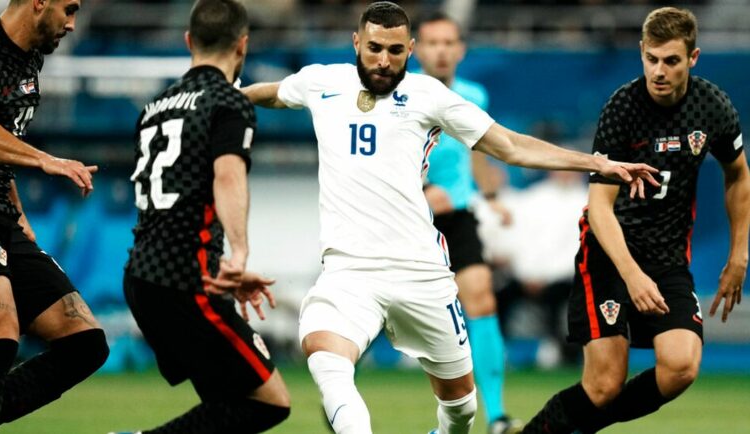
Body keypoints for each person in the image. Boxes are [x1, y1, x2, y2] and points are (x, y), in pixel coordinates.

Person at [242, 2, 656, 434]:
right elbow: (271, 92)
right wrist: (226, 98)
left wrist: (597, 163)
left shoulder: (429, 95)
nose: (384, 60)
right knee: (328, 361)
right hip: (349, 269)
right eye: (375, 48)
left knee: (461, 408)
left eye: (396, 50)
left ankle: (476, 417)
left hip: (421, 272)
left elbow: (510, 146)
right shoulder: (321, 82)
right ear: (356, 43)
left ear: (411, 48)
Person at [521, 7, 749, 434]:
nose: (659, 71)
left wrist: (738, 255)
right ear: (642, 52)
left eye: (672, 61)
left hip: (666, 259)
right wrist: (632, 276)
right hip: (608, 255)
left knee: (681, 366)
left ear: (693, 58)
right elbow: (600, 207)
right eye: (652, 59)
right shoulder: (623, 109)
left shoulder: (713, 107)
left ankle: (569, 425)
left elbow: (738, 174)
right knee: (604, 386)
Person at [120, 1, 290, 433]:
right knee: (269, 402)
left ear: (188, 41)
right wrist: (239, 254)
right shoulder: (228, 102)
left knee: (224, 404)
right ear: (243, 45)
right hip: (185, 281)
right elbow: (227, 175)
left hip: (142, 276)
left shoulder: (154, 107)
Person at [0, 1, 109, 433]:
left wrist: (19, 218)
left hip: (0, 214)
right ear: (38, 2)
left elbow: (2, 145)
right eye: (68, 9)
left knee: (85, 342)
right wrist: (47, 161)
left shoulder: (30, 60)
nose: (73, 24)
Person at [414, 12, 518, 434]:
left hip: (455, 217)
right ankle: (341, 400)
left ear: (460, 49)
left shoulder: (473, 95)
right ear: (417, 49)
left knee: (481, 299)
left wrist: (491, 196)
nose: (441, 50)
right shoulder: (401, 95)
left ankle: (495, 414)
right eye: (432, 42)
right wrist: (418, 197)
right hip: (407, 220)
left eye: (448, 42)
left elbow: (476, 150)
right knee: (375, 313)